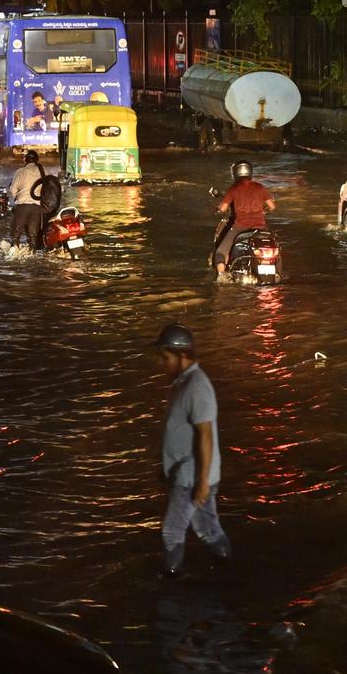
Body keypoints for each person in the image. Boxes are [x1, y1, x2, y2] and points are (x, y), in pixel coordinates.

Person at [152, 323, 230, 578]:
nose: (162, 363)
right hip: (190, 474)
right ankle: (227, 570)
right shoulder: (183, 382)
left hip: (191, 478)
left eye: (166, 357)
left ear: (182, 355)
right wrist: (167, 467)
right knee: (208, 529)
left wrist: (202, 483)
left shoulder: (196, 386)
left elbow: (205, 435)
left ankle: (170, 584)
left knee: (172, 533)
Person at [213, 161, 275, 276]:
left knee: (220, 253)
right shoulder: (260, 187)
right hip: (260, 228)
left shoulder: (234, 189)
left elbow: (223, 208)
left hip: (240, 227)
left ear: (235, 173)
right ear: (250, 172)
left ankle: (221, 277)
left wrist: (218, 209)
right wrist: (263, 211)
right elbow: (272, 207)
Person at [8, 150, 45, 248]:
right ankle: (32, 251)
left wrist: (17, 199)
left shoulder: (20, 172)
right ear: (37, 160)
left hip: (22, 205)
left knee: (16, 235)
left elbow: (13, 189)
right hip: (37, 207)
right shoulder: (43, 170)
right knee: (33, 236)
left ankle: (15, 251)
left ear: (25, 160)